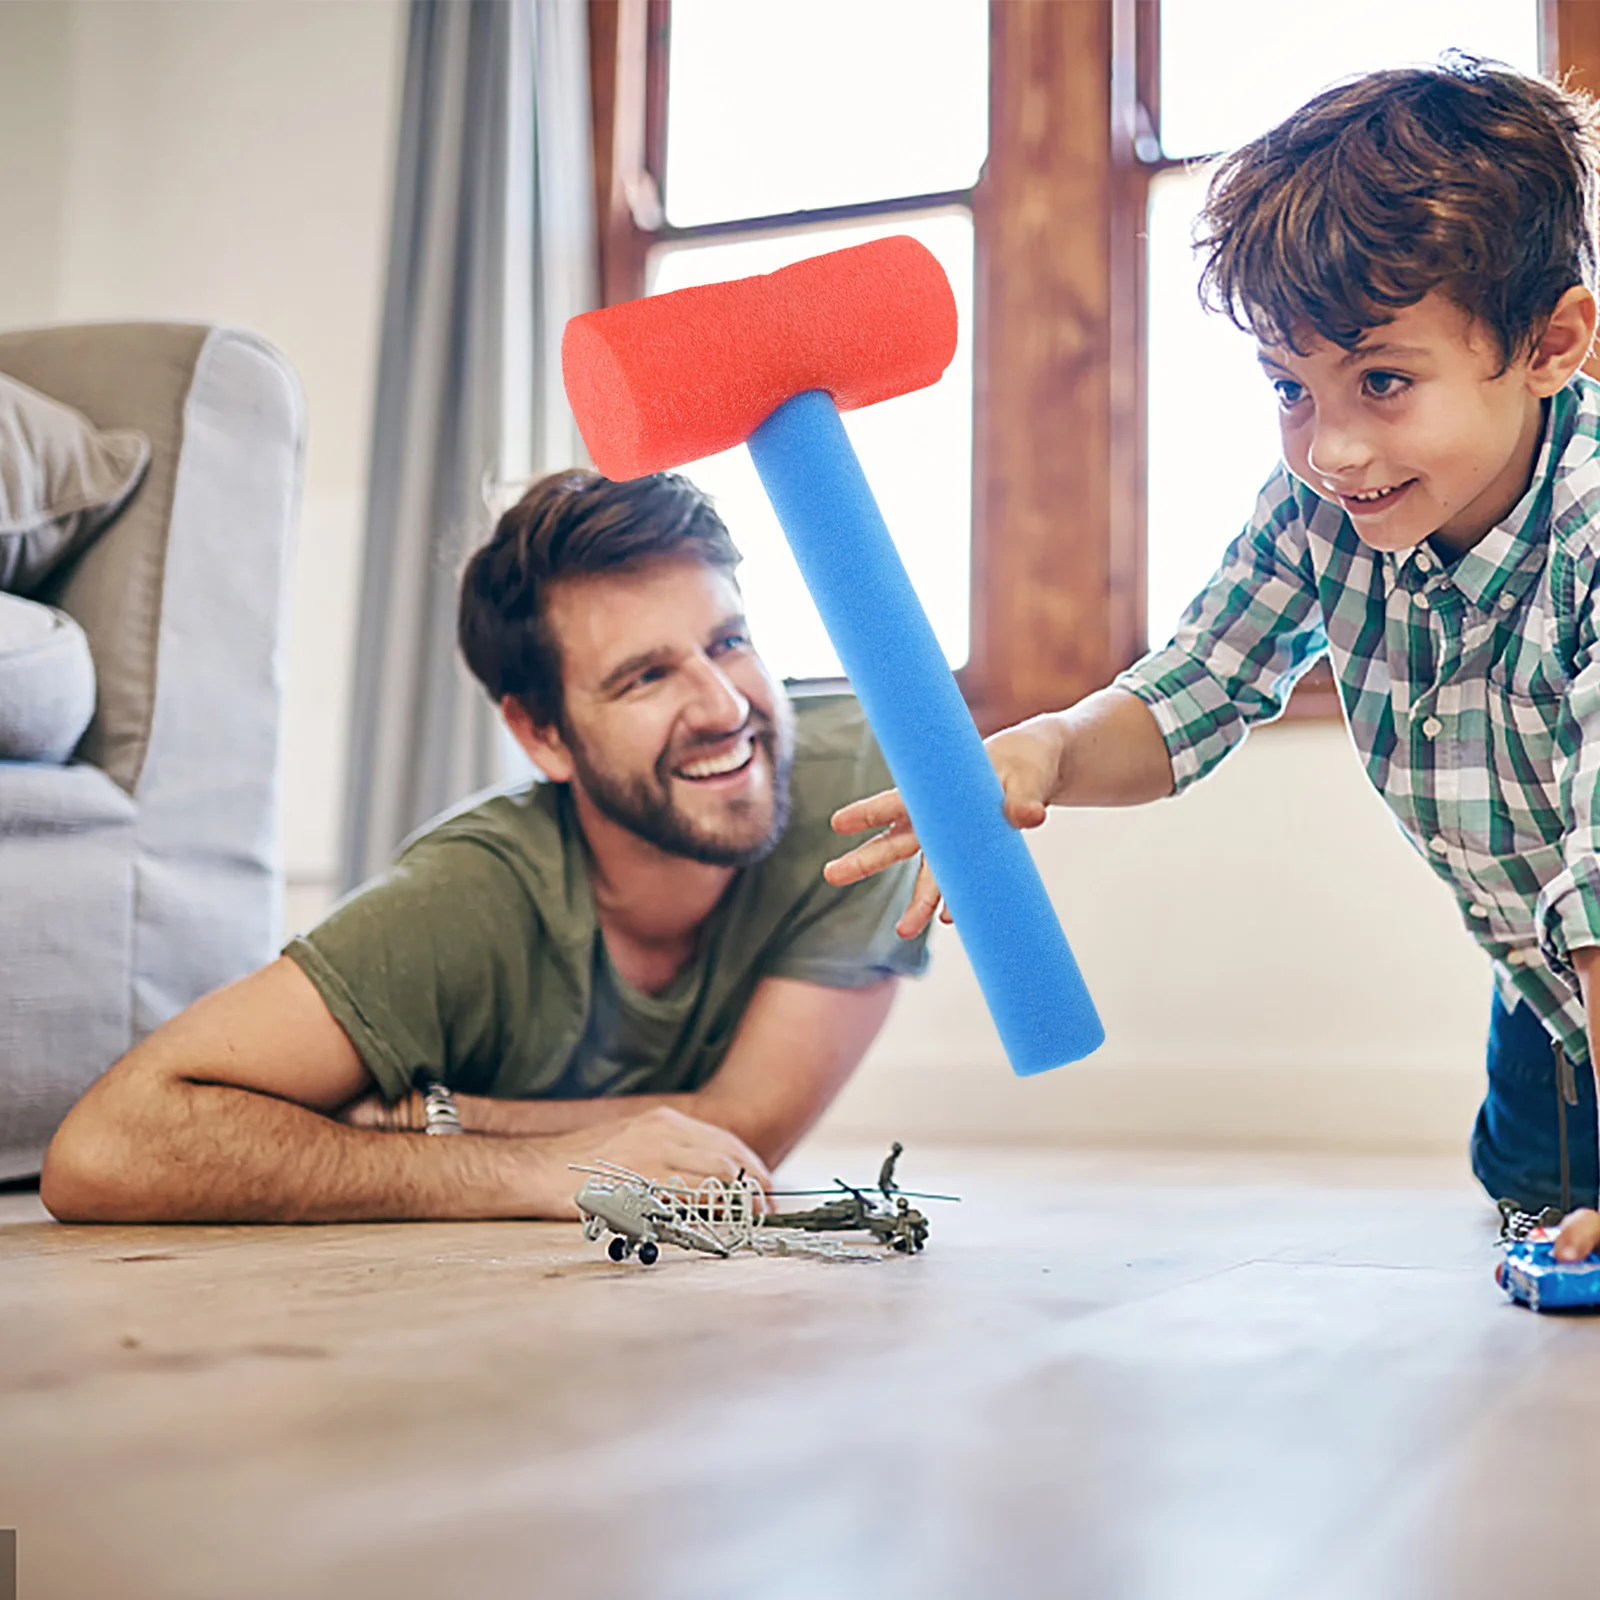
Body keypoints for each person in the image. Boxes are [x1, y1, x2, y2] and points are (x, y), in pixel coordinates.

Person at [827, 58, 1600, 1263]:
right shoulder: (1319, 514)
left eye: (1383, 382)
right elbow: (1188, 695)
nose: (1331, 448)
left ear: (1549, 344)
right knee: (1532, 1217)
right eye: (1291, 388)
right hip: (1547, 993)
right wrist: (1048, 748)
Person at [41, 470, 927, 1223]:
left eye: (728, 642)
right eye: (647, 676)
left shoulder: (860, 792)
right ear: (541, 734)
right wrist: (533, 1171)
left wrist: (445, 1118)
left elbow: (744, 1132)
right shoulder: (466, 899)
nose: (725, 707)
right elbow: (104, 1147)